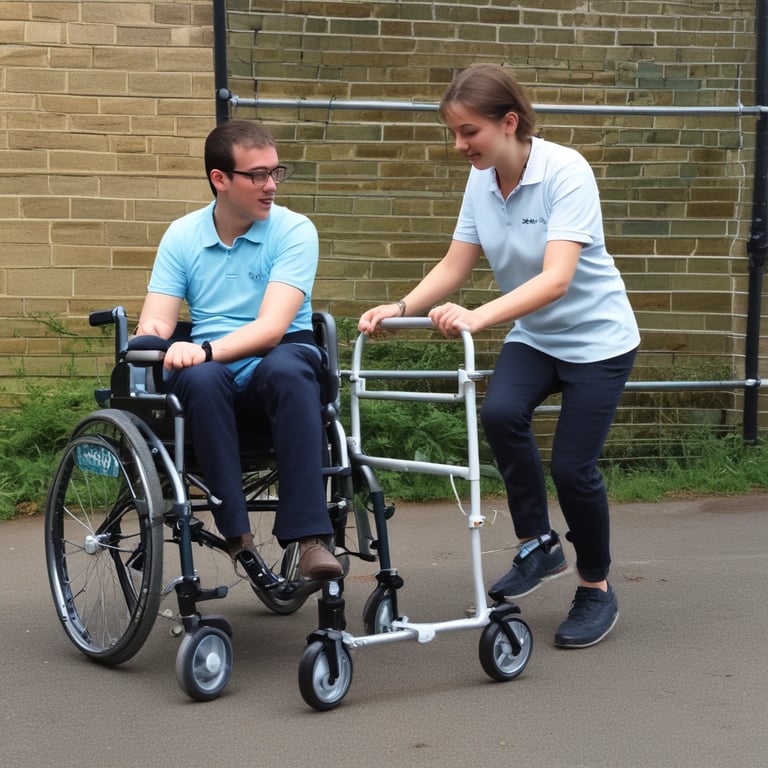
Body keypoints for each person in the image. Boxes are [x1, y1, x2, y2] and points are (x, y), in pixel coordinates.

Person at [358, 63, 640, 648]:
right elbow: (456, 262)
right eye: (455, 133)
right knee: (500, 413)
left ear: (509, 122)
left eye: (469, 132)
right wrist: (402, 305)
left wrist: (478, 316)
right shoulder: (481, 180)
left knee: (573, 469)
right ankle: (539, 545)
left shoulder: (566, 171)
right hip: (536, 337)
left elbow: (557, 278)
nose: (459, 145)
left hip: (598, 341)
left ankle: (595, 586)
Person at [135, 119, 343, 587]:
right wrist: (152, 337)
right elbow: (158, 320)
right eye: (257, 175)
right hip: (213, 377)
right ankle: (237, 536)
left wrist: (204, 350)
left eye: (275, 172)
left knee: (287, 369)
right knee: (200, 377)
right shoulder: (182, 236)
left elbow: (272, 329)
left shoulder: (295, 230)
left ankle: (310, 539)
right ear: (220, 179)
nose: (271, 185)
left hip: (281, 356)